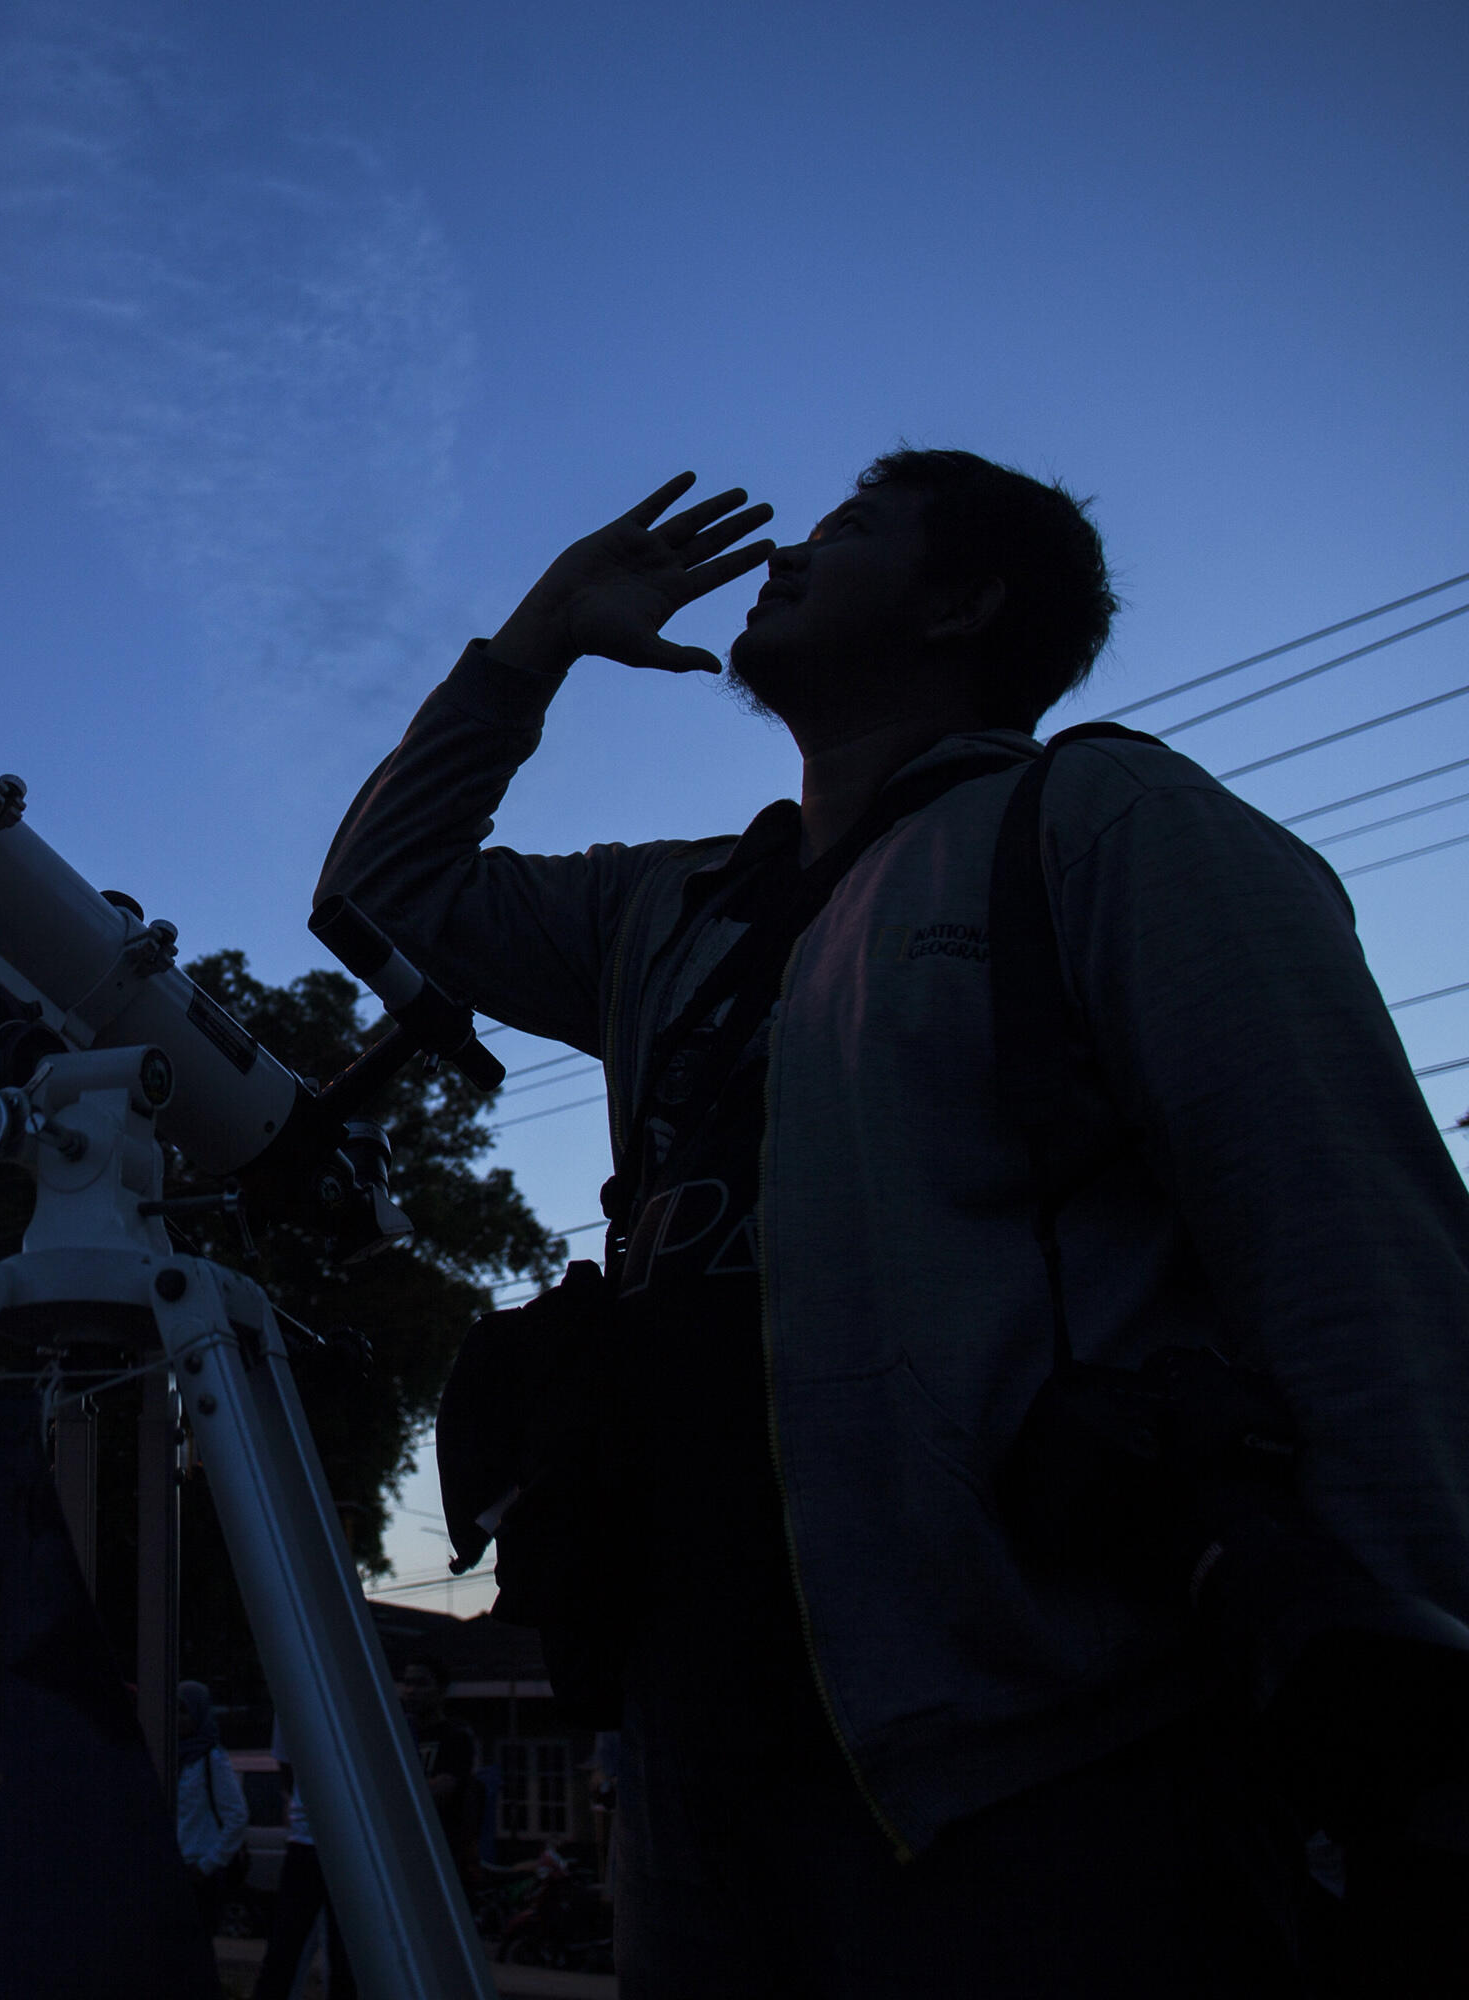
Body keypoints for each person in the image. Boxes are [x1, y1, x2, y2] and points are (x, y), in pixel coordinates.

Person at [320, 454, 1469, 1995]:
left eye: (854, 527)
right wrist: (534, 644)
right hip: (690, 1752)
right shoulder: (673, 911)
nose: (789, 549)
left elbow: (1345, 1241)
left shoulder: (1101, 824)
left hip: (1033, 1766)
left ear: (965, 601)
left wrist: (1422, 1718)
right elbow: (388, 889)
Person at [246, 1727, 348, 2000]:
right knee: (297, 1946)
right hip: (325, 1837)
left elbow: (286, 1766)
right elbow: (286, 1765)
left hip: (320, 1836)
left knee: (292, 1946)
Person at [169, 1680, 248, 1935]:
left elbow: (237, 1816)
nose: (177, 1718)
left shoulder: (211, 1758)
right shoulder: (171, 1756)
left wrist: (208, 1865)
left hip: (200, 1873)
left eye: (184, 1711)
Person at [394, 1656, 478, 1869]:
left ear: (441, 1690)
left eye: (421, 1684)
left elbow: (442, 1790)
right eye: (407, 1683)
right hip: (399, 1849)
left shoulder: (455, 1737)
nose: (411, 1691)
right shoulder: (395, 1736)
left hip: (439, 1853)